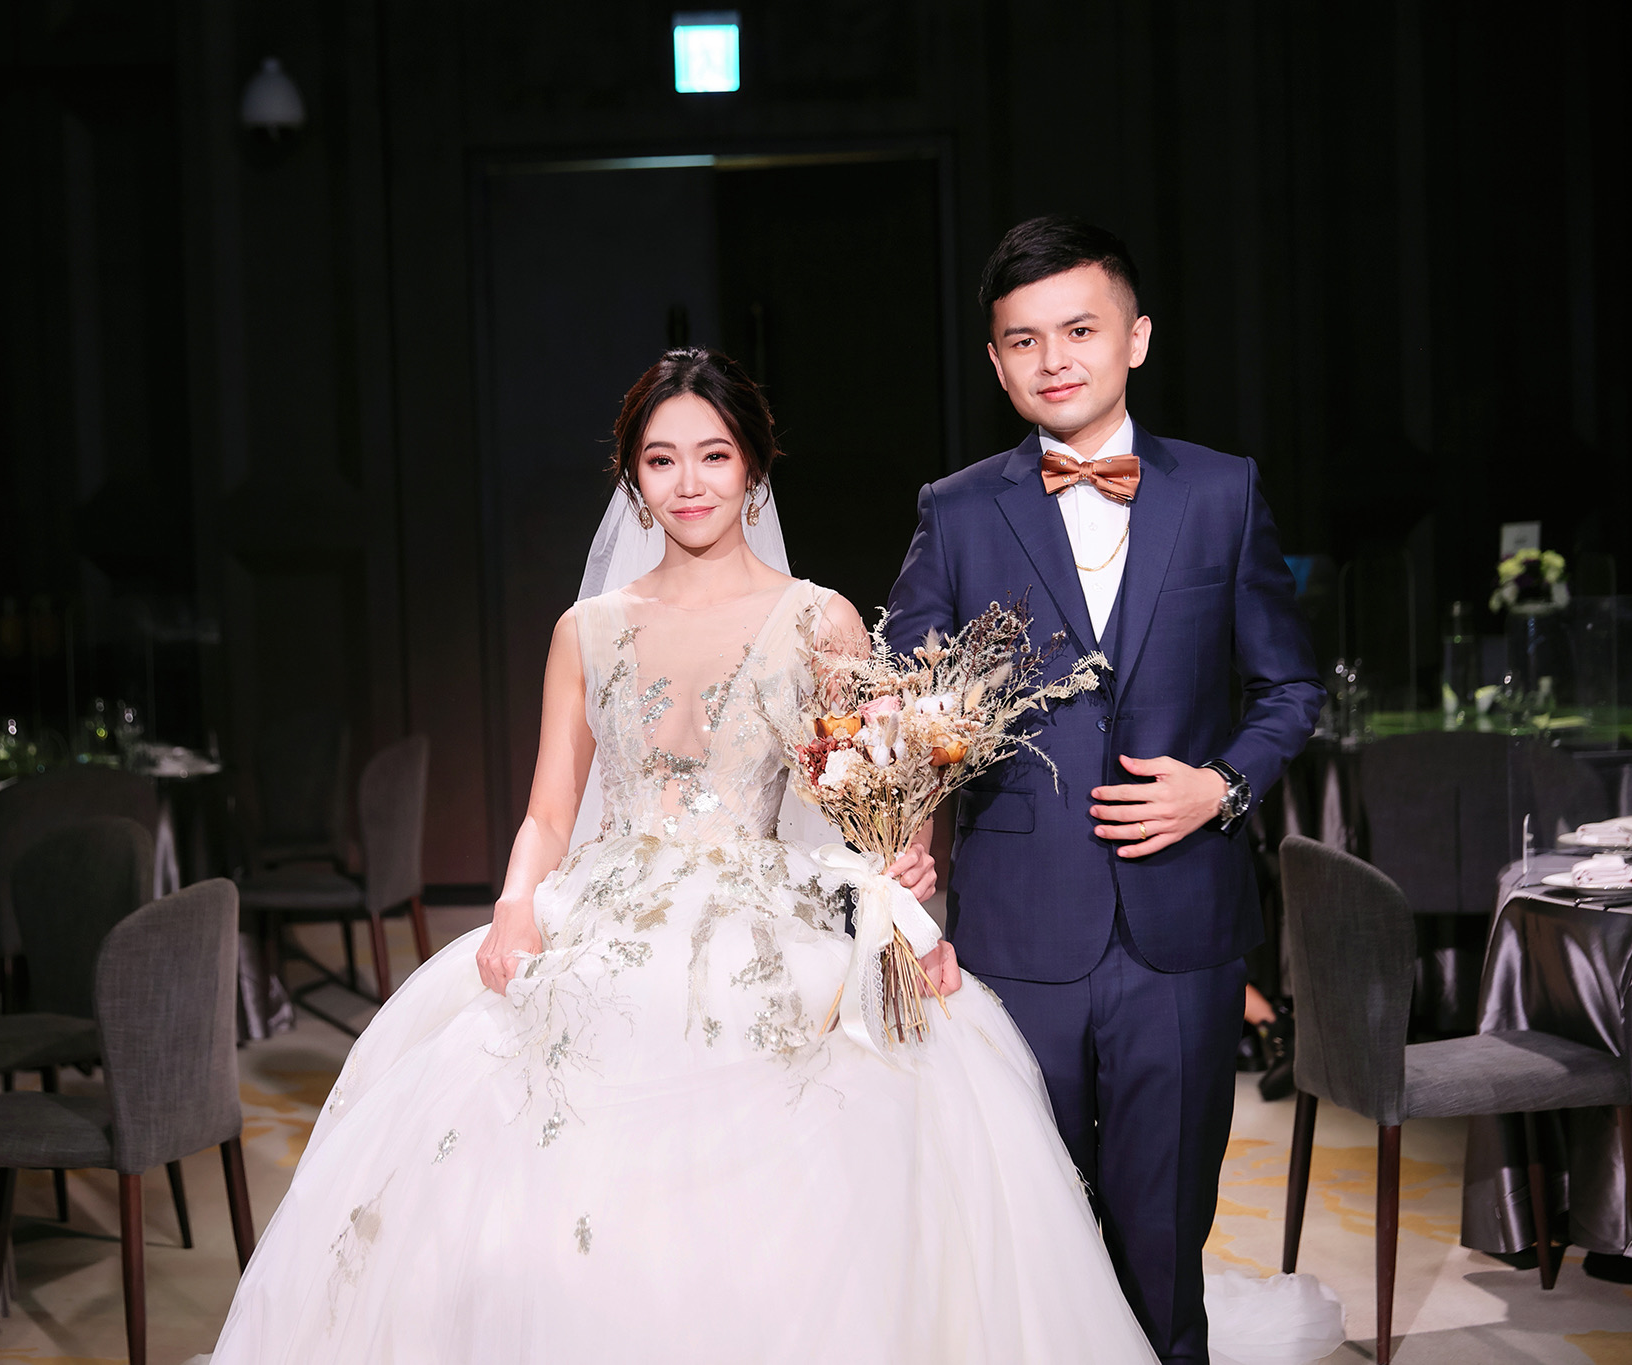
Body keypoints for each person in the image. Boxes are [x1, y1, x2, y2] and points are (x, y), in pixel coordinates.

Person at [206, 347, 1161, 1362]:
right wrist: (516, 901)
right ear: (633, 476)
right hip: (605, 913)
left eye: (714, 454)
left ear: (753, 464)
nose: (689, 482)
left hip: (766, 918)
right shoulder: (586, 629)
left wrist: (904, 869)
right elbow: (547, 810)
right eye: (661, 460)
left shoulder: (818, 618)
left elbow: (879, 789)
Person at [884, 217, 1327, 1364]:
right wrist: (905, 832)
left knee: (1162, 1239)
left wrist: (1218, 786)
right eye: (1022, 340)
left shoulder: (1221, 492)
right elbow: (901, 705)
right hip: (1016, 928)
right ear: (995, 362)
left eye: (1078, 330)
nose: (1053, 359)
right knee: (1024, 1245)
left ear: (1133, 337)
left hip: (1180, 927)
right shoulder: (956, 510)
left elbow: (1288, 688)